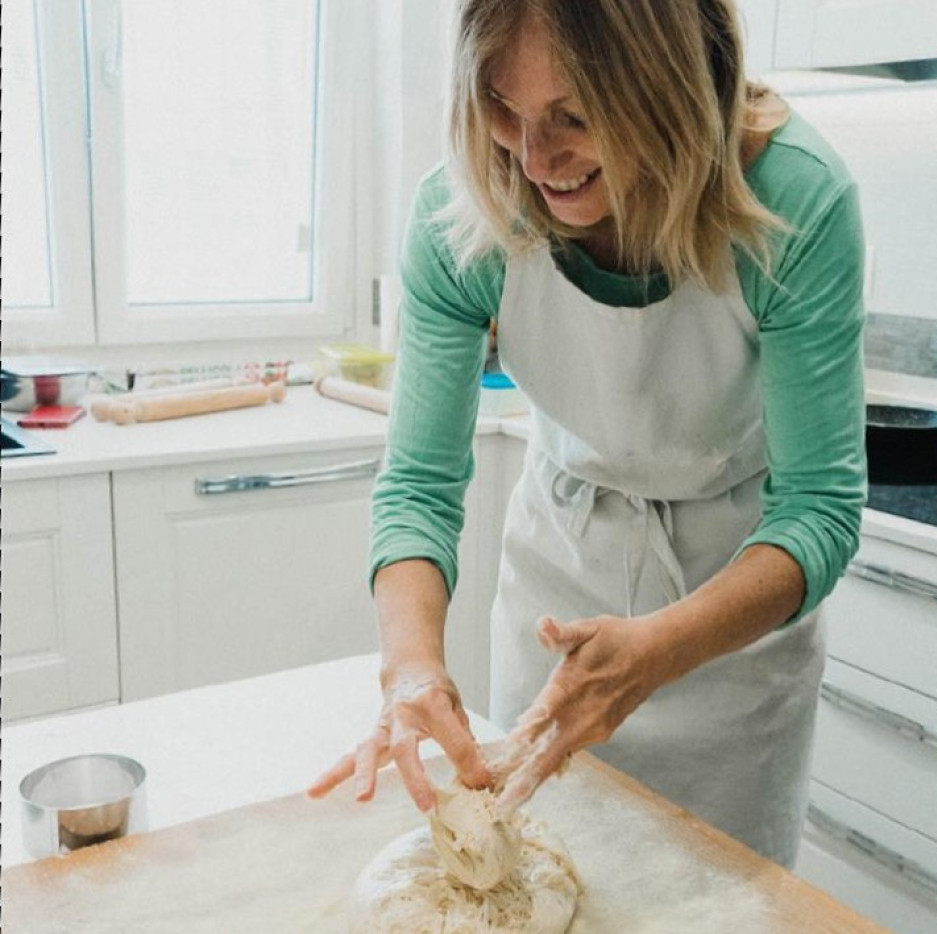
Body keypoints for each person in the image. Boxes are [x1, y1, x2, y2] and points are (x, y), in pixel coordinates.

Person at [309, 0, 866, 868]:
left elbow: (819, 510)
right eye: (504, 107)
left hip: (730, 628)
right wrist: (409, 666)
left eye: (574, 116)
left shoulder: (794, 199)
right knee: (532, 878)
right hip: (557, 597)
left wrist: (660, 650)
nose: (534, 160)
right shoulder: (462, 210)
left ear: (671, 85)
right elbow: (419, 484)